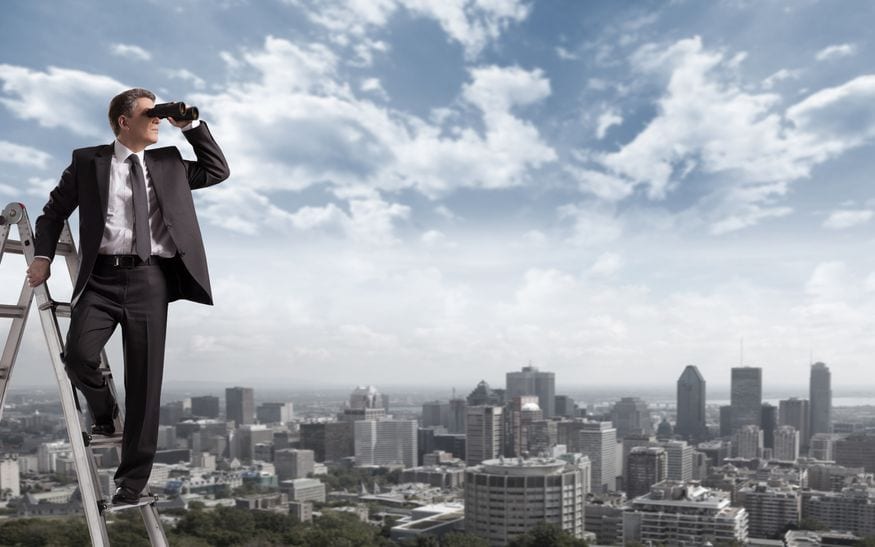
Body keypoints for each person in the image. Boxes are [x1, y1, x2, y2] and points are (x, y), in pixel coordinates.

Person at [26, 88, 229, 505]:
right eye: (150, 114)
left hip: (150, 281)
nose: (157, 120)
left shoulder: (169, 163)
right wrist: (43, 257)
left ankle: (131, 482)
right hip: (100, 279)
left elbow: (217, 170)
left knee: (144, 385)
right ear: (123, 121)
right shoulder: (88, 161)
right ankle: (103, 413)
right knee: (78, 357)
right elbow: (52, 212)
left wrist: (189, 127)